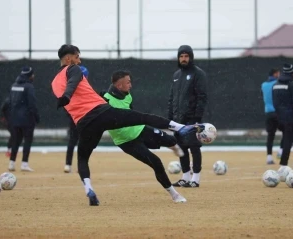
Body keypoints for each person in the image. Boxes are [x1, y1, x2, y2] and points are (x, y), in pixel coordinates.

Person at [51, 44, 203, 206]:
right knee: (143, 117)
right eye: (77, 57)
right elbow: (73, 82)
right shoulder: (73, 69)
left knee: (82, 158)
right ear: (68, 58)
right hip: (101, 114)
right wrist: (68, 95)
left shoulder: (54, 83)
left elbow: (71, 90)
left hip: (84, 123)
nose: (79, 61)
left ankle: (88, 188)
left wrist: (66, 97)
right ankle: (180, 128)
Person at [101, 70, 186, 203]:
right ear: (119, 85)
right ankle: (174, 194)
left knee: (171, 140)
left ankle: (174, 147)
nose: (131, 85)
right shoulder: (105, 101)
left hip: (140, 129)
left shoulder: (127, 95)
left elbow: (131, 114)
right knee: (156, 162)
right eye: (128, 82)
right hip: (127, 142)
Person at [168, 45, 208, 188]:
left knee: (194, 146)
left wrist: (197, 117)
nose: (184, 59)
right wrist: (170, 117)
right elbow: (172, 98)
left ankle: (195, 179)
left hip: (192, 118)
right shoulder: (176, 75)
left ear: (191, 57)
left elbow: (202, 97)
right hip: (178, 119)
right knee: (181, 147)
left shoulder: (198, 74)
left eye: (186, 56)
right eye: (181, 56)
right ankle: (185, 177)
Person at [272, 64, 293, 170]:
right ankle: (283, 165)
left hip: (279, 117)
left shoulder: (275, 85)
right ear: (292, 73)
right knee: (288, 139)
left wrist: (278, 117)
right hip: (291, 117)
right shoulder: (292, 84)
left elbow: (275, 103)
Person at [8, 67, 40, 172]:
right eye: (32, 74)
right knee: (27, 141)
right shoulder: (29, 87)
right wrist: (36, 116)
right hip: (27, 119)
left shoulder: (14, 85)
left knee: (16, 141)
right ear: (29, 75)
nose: (34, 76)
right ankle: (24, 164)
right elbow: (32, 104)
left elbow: (10, 102)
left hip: (14, 119)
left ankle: (11, 163)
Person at [63, 65, 88, 173]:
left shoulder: (70, 87)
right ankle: (80, 166)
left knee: (72, 141)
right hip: (82, 118)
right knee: (83, 142)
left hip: (74, 118)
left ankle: (68, 165)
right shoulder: (85, 89)